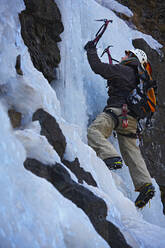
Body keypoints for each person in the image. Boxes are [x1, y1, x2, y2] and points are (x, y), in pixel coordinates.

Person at [84, 41, 155, 208]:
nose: (123, 56)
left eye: (126, 54)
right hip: (131, 121)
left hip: (117, 112)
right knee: (132, 152)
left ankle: (110, 156)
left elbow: (98, 67)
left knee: (94, 131)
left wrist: (91, 50)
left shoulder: (124, 70)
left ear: (131, 57)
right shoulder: (139, 79)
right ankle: (145, 184)